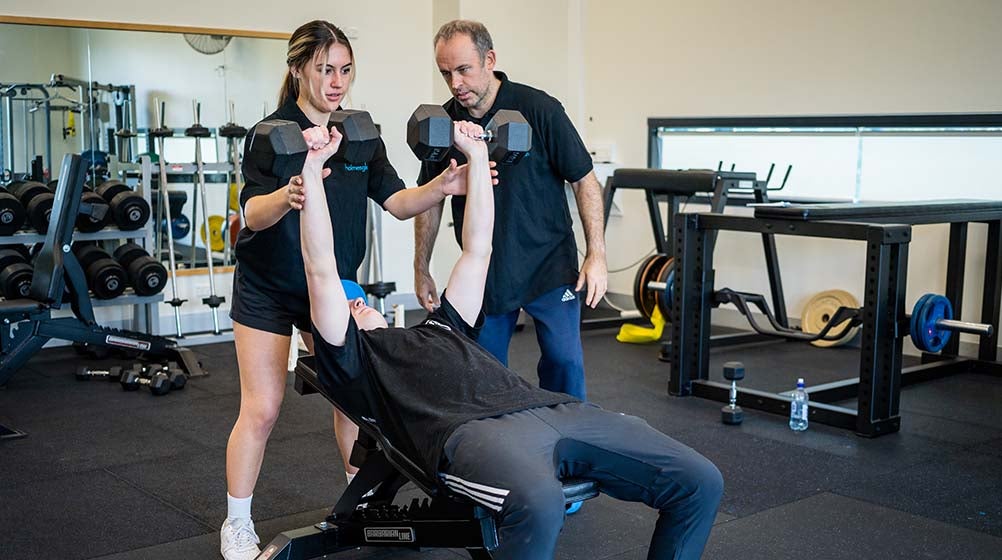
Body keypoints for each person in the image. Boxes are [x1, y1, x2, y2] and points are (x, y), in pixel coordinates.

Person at [302, 119, 723, 559]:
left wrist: (477, 153)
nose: (358, 303)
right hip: (470, 433)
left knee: (700, 480)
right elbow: (321, 268)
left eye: (359, 299)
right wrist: (313, 171)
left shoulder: (444, 325)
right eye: (350, 307)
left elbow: (478, 248)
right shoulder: (354, 358)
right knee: (540, 505)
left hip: (553, 408)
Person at [222, 20, 492, 560]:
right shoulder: (270, 133)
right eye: (324, 69)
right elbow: (247, 215)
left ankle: (362, 502)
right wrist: (291, 192)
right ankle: (237, 522)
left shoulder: (361, 136)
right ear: (298, 68)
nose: (336, 81)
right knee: (264, 407)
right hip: (268, 288)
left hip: (331, 287)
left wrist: (443, 185)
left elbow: (396, 202)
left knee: (354, 401)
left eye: (345, 70)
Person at [414, 19, 608, 405]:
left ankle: (572, 438)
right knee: (483, 373)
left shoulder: (540, 108)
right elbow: (429, 199)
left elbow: (584, 179)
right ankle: (497, 456)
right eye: (446, 73)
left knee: (565, 363)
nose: (455, 84)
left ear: (490, 59)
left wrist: (596, 254)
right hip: (487, 271)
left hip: (548, 263)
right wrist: (421, 268)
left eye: (464, 69)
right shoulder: (445, 124)